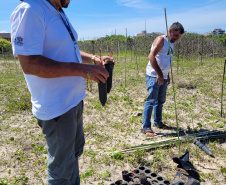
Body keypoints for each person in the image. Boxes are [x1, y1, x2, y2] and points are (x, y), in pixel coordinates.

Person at [10, 0, 113, 184]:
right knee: (61, 171)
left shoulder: (57, 11)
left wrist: (93, 59)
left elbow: (68, 50)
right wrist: (82, 70)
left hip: (74, 100)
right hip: (57, 107)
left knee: (72, 157)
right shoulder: (30, 10)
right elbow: (30, 64)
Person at [142, 22, 184, 137]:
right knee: (151, 101)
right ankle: (146, 128)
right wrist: (160, 75)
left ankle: (158, 122)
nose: (177, 38)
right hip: (154, 76)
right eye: (176, 35)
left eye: (179, 37)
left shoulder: (171, 43)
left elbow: (166, 59)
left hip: (163, 76)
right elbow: (151, 56)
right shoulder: (161, 40)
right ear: (170, 31)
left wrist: (167, 74)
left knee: (160, 101)